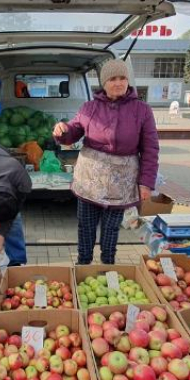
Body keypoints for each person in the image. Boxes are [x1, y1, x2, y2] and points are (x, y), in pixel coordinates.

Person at [53, 59, 159, 264]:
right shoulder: (89, 107)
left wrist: (146, 182)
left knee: (111, 227)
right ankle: (83, 263)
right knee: (86, 224)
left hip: (122, 180)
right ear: (104, 82)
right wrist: (63, 131)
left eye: (122, 78)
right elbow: (73, 132)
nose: (118, 83)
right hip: (90, 177)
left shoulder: (142, 110)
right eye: (112, 79)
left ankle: (107, 263)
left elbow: (151, 148)